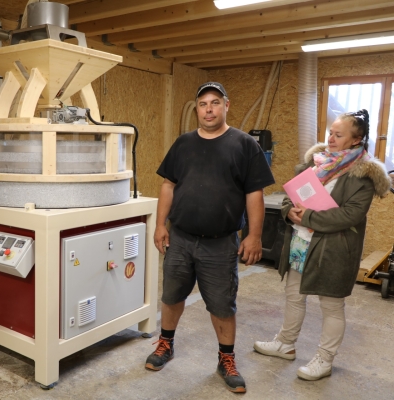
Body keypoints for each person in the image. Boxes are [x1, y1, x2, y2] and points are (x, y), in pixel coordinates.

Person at [146, 82, 275, 393]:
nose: (208, 109)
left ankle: (225, 360)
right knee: (172, 295)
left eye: (215, 102)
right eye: (202, 104)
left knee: (222, 304)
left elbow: (254, 193)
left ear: (226, 106)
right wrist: (160, 224)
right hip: (181, 237)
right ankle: (166, 344)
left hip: (220, 242)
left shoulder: (245, 145)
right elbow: (168, 186)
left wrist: (254, 235)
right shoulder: (183, 143)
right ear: (197, 109)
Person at [253, 109, 391, 380]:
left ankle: (325, 359)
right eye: (330, 132)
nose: (331, 138)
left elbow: (352, 214)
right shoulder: (315, 163)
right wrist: (289, 211)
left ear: (356, 140)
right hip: (301, 242)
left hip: (334, 249)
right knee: (294, 296)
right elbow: (289, 197)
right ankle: (285, 343)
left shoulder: (363, 175)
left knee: (331, 305)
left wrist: (309, 216)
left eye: (339, 135)